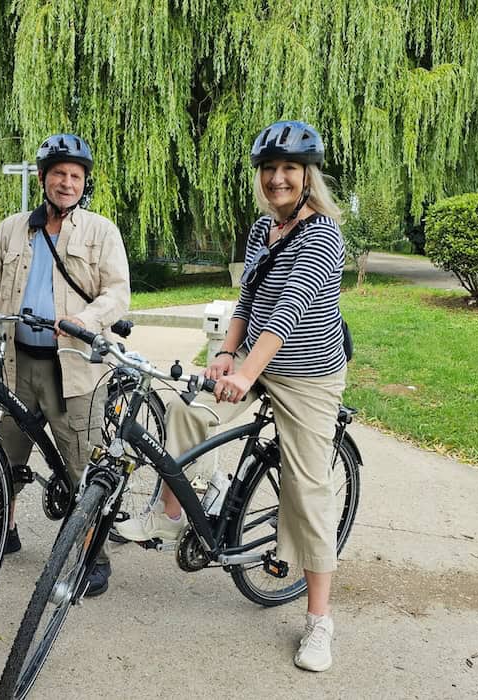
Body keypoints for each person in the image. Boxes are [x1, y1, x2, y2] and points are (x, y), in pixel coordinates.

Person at [116, 120, 348, 670]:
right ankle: (171, 511)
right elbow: (249, 298)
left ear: (308, 176)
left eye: (289, 168)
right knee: (187, 411)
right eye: (269, 169)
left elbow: (290, 309)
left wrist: (247, 374)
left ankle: (319, 623)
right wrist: (226, 354)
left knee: (306, 490)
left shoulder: (323, 236)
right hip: (252, 358)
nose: (277, 178)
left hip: (308, 374)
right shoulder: (260, 229)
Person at [0, 133, 130, 596]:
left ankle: (92, 555)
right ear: (43, 178)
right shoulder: (13, 228)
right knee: (5, 456)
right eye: (59, 174)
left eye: (76, 176)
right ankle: (6, 533)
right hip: (17, 363)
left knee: (82, 465)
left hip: (75, 367)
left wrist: (84, 319)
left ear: (85, 184)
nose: (67, 183)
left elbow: (117, 293)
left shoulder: (101, 231)